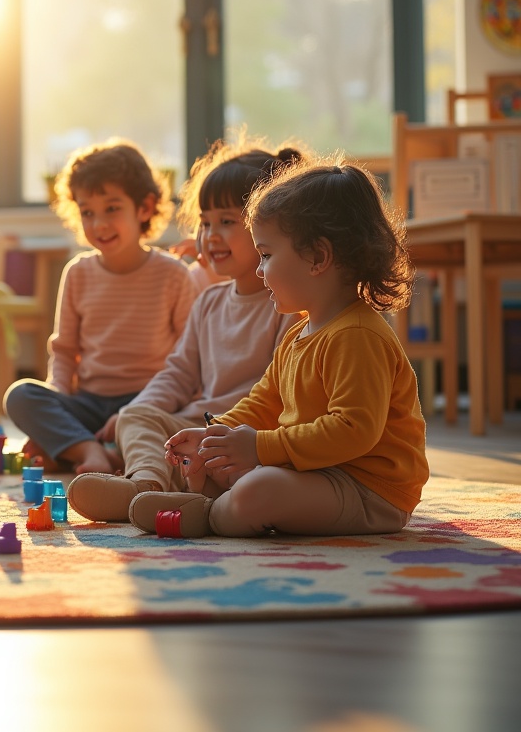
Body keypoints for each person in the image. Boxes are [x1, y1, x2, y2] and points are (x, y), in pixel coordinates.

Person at [127, 157, 429, 539]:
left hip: (370, 490)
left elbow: (353, 431)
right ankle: (209, 500)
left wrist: (259, 446)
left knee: (260, 488)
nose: (258, 269)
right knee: (237, 466)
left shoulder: (358, 335)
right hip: (315, 474)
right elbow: (265, 402)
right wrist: (216, 434)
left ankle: (208, 515)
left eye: (267, 255)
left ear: (318, 258)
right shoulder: (299, 334)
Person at [67, 138, 304, 521]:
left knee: (244, 470)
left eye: (227, 222)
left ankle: (186, 492)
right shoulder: (209, 301)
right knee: (135, 417)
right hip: (201, 425)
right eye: (205, 222)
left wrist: (218, 431)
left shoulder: (288, 306)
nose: (210, 235)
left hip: (247, 436)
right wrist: (139, 409)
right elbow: (178, 372)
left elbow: (278, 393)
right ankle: (145, 486)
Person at [3, 138, 198, 474]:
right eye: (87, 212)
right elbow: (64, 352)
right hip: (89, 401)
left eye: (112, 208)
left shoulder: (174, 275)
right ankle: (92, 450)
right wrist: (59, 401)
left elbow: (189, 356)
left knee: (174, 421)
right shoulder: (78, 272)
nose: (99, 224)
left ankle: (81, 447)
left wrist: (141, 406)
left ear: (145, 208)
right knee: (21, 396)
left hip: (147, 402)